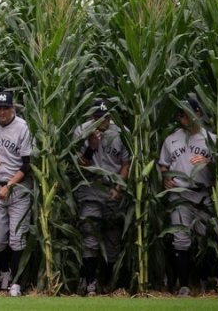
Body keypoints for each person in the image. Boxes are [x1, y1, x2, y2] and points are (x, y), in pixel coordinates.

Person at [158, 96, 215, 297]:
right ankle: (184, 286)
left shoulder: (211, 140)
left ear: (198, 113)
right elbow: (163, 164)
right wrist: (165, 177)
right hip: (179, 195)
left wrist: (209, 161)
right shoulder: (171, 139)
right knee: (180, 240)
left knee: (205, 239)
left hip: (203, 195)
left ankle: (204, 284)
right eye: (180, 114)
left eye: (186, 113)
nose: (182, 117)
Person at [72, 99, 129, 296]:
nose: (101, 122)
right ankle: (90, 283)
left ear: (110, 117)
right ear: (91, 117)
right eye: (97, 118)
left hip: (112, 189)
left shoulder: (121, 132)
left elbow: (126, 163)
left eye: (105, 118)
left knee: (112, 237)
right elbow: (81, 164)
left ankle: (108, 283)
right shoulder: (81, 131)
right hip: (89, 188)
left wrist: (118, 188)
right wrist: (91, 146)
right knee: (90, 235)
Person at [0, 90, 34, 297]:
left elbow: (27, 164)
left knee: (17, 238)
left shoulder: (23, 128)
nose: (2, 112)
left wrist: (10, 185)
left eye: (6, 108)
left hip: (18, 188)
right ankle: (4, 272)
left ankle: (16, 282)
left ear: (13, 108)